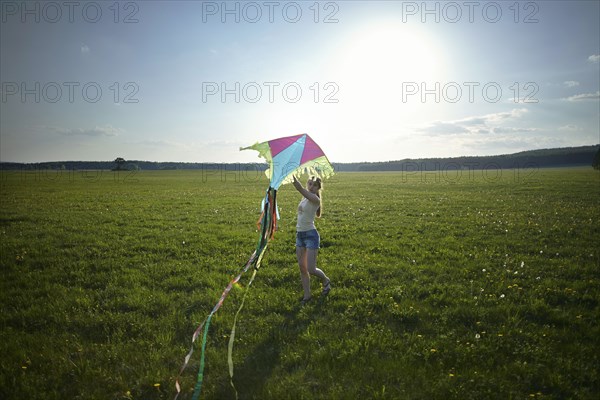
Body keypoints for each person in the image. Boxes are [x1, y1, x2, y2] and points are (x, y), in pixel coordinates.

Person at [292, 175, 331, 304]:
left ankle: (326, 280)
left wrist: (292, 177)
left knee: (311, 269)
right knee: (302, 268)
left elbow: (300, 189)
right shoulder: (305, 198)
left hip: (310, 236)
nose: (311, 187)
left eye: (314, 185)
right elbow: (302, 192)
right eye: (309, 184)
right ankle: (307, 296)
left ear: (318, 188)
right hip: (300, 236)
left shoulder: (315, 198)